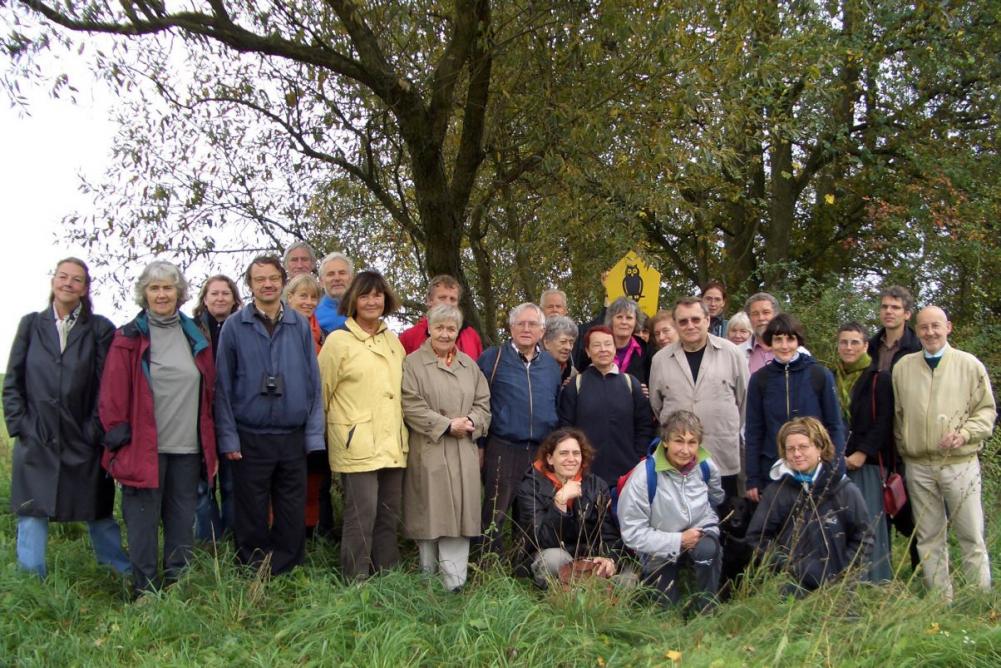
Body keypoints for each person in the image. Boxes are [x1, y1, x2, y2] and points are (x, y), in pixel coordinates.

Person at [4, 257, 130, 579]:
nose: (68, 283)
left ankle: (118, 573)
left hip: (83, 437)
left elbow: (107, 386)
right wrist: (22, 426)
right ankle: (31, 581)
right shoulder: (31, 325)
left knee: (97, 510)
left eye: (76, 279)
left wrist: (94, 430)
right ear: (53, 281)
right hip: (38, 437)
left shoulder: (100, 328)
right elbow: (13, 382)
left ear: (85, 288)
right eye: (63, 277)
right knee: (32, 510)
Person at [99, 260, 218, 596]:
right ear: (145, 293)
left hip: (187, 448)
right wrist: (118, 440)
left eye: (168, 287)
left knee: (181, 521)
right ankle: (146, 589)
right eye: (155, 288)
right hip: (142, 448)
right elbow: (111, 395)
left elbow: (209, 392)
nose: (162, 294)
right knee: (142, 523)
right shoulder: (128, 338)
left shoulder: (195, 335)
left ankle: (178, 585)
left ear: (179, 293)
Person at [215, 256, 324, 576]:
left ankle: (287, 569)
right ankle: (254, 569)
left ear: (282, 281)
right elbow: (222, 386)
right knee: (251, 509)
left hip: (291, 434)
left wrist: (313, 436)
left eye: (273, 278)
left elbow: (313, 383)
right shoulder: (235, 326)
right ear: (250, 285)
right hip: (250, 434)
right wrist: (228, 437)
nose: (267, 284)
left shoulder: (299, 325)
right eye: (259, 279)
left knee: (291, 508)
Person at [892, 306, 995, 599]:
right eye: (924, 327)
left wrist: (964, 434)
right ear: (917, 330)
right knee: (928, 537)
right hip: (918, 465)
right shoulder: (903, 368)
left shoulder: (969, 365)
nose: (930, 332)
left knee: (970, 534)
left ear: (948, 327)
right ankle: (940, 600)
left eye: (936, 326)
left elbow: (986, 412)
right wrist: (905, 447)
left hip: (959, 463)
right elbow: (898, 416)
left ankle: (979, 599)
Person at [319, 270, 409, 580]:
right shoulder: (338, 341)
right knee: (361, 515)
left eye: (378, 295)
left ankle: (388, 576)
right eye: (365, 295)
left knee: (388, 514)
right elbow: (321, 393)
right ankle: (355, 579)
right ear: (353, 301)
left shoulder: (393, 341)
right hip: (356, 443)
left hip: (392, 442)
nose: (372, 301)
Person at [401, 304, 491, 591]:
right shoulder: (413, 363)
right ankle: (428, 582)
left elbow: (483, 404)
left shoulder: (469, 366)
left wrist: (472, 421)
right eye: (439, 327)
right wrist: (446, 425)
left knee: (460, 518)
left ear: (458, 332)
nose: (445, 333)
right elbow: (410, 405)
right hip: (430, 449)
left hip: (463, 451)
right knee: (430, 515)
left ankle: (454, 584)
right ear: (429, 328)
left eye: (451, 328)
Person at [745, 417, 872, 594]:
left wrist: (845, 572)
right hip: (791, 589)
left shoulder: (843, 489)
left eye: (803, 447)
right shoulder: (776, 492)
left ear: (820, 447)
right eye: (790, 449)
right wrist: (787, 566)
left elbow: (864, 536)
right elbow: (756, 537)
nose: (797, 454)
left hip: (839, 589)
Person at [617, 411, 725, 610]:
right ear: (665, 441)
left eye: (692, 442)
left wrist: (705, 528)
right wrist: (679, 540)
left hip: (699, 533)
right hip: (659, 546)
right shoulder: (644, 476)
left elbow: (716, 498)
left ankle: (707, 608)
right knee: (667, 610)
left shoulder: (706, 466)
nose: (685, 450)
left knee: (708, 551)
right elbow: (632, 533)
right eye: (678, 441)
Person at [477, 303, 561, 555]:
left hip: (540, 449)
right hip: (504, 445)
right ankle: (486, 564)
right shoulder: (493, 358)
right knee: (495, 510)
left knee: (530, 511)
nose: (526, 329)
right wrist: (480, 445)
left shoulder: (551, 364)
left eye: (532, 324)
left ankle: (522, 564)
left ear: (542, 330)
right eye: (520, 323)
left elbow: (556, 401)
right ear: (511, 328)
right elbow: (478, 402)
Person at [649, 297, 748, 502]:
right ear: (676, 324)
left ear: (707, 320)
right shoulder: (660, 360)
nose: (690, 325)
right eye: (683, 321)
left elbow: (745, 401)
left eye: (695, 319)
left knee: (725, 514)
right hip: (678, 461)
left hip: (721, 455)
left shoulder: (732, 354)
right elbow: (657, 406)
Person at [744, 314, 845, 503]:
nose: (784, 346)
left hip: (815, 468)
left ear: (798, 341)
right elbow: (753, 431)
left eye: (790, 339)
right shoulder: (760, 379)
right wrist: (753, 477)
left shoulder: (819, 374)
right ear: (770, 342)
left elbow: (835, 425)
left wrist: (836, 470)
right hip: (773, 468)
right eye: (778, 339)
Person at [515, 427, 622, 589]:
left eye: (576, 453)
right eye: (564, 453)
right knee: (554, 559)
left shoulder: (596, 485)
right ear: (550, 459)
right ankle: (561, 596)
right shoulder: (531, 487)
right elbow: (540, 540)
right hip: (552, 554)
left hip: (588, 556)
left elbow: (608, 532)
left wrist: (609, 558)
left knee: (627, 578)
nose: (571, 459)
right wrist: (560, 503)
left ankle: (589, 592)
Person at [832, 322, 893, 582]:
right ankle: (842, 579)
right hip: (836, 462)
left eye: (855, 342)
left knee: (868, 521)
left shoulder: (879, 378)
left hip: (867, 463)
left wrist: (863, 453)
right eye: (844, 342)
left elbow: (885, 421)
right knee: (840, 522)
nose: (849, 347)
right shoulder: (830, 377)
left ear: (866, 346)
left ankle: (874, 580)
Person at [559, 326, 653, 487]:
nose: (603, 349)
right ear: (588, 351)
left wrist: (637, 457)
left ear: (615, 348)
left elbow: (644, 425)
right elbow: (565, 428)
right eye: (596, 345)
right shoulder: (576, 385)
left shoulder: (631, 383)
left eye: (608, 344)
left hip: (627, 474)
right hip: (586, 473)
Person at [192, 274, 242, 542]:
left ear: (234, 299)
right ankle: (210, 541)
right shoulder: (191, 330)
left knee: (233, 483)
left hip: (235, 415)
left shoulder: (244, 327)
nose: (220, 298)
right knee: (203, 485)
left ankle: (234, 539)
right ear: (205, 299)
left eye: (226, 293)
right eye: (215, 293)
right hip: (200, 414)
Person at [283, 273, 332, 538]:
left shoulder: (322, 335)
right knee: (287, 482)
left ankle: (313, 535)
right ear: (289, 297)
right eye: (303, 296)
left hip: (317, 417)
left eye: (314, 297)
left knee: (315, 481)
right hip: (287, 418)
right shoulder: (280, 330)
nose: (308, 302)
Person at [399, 274, 483, 359]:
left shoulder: (471, 336)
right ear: (429, 300)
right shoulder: (409, 337)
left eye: (453, 299)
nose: (448, 303)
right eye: (442, 298)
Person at [580, 297, 649, 384]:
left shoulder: (645, 349)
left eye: (629, 318)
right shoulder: (595, 347)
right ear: (611, 320)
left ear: (636, 322)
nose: (624, 322)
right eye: (619, 317)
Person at [869, 285, 921, 372]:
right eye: (884, 307)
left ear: (907, 314)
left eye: (895, 307)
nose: (888, 311)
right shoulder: (870, 347)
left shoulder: (918, 348)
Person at [315, 251, 353, 334]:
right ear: (321, 281)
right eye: (330, 274)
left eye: (342, 273)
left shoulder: (365, 308)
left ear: (351, 278)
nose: (337, 278)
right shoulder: (313, 314)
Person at [743, 292, 780, 374]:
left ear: (776, 316)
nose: (761, 318)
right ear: (749, 318)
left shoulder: (797, 352)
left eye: (766, 312)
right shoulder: (738, 352)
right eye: (755, 314)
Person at [542, 315, 578, 384]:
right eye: (563, 342)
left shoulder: (572, 373)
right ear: (547, 343)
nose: (568, 347)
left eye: (571, 343)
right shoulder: (532, 370)